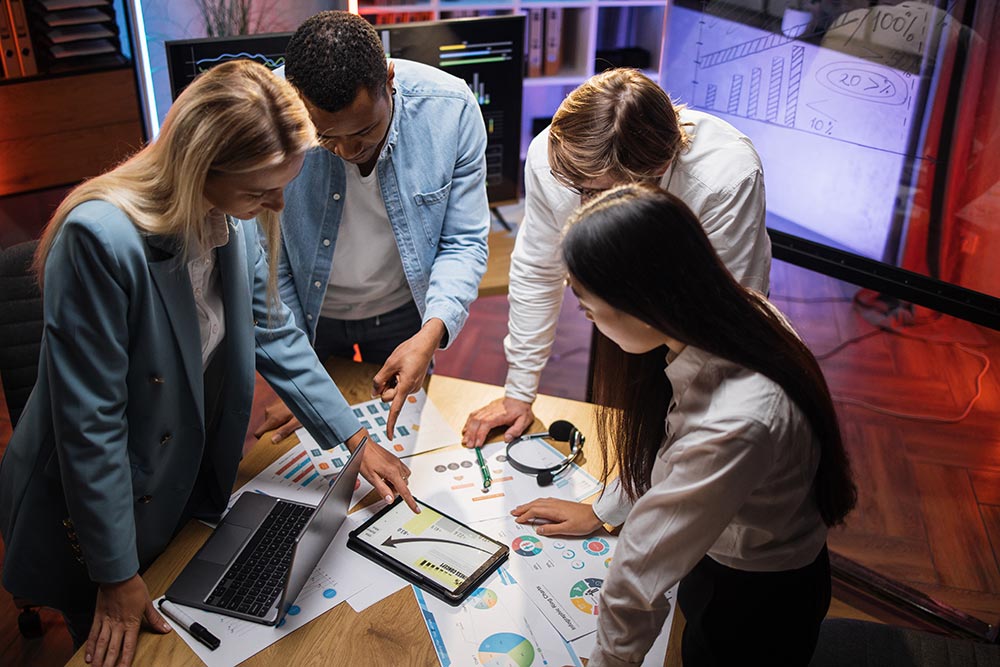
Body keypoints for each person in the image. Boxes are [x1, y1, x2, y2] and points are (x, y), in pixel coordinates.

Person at [0, 59, 415, 667]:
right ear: (200, 168)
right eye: (259, 191)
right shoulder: (98, 240)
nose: (277, 202)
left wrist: (356, 439)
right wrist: (115, 574)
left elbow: (274, 329)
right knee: (122, 648)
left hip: (178, 478)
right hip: (97, 507)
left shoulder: (232, 217)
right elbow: (91, 427)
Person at [519, 184, 856, 666]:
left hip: (754, 605)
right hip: (734, 561)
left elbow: (640, 571)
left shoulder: (735, 421)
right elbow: (669, 452)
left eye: (588, 304)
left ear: (641, 303)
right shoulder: (734, 316)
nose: (585, 315)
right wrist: (603, 509)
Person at [463, 68, 773, 456]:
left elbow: (726, 321)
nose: (582, 208)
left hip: (712, 333)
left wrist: (691, 440)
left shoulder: (726, 177)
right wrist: (519, 392)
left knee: (695, 445)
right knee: (626, 443)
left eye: (595, 192)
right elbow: (539, 270)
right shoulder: (555, 155)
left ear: (658, 169)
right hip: (625, 318)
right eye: (574, 189)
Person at [254, 11, 490, 443]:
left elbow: (463, 241)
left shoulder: (450, 109)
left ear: (389, 80)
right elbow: (271, 261)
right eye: (325, 137)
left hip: (406, 312)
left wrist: (431, 332)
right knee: (315, 446)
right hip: (308, 317)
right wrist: (296, 371)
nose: (347, 150)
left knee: (406, 440)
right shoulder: (270, 115)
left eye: (364, 130)